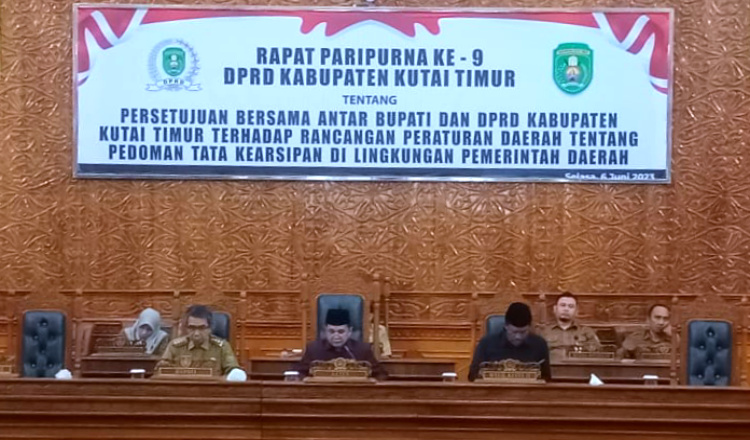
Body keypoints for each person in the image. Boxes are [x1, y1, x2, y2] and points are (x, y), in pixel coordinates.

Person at [295, 308, 387, 380]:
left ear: (349, 331)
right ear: (325, 331)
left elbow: (381, 375)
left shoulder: (363, 349)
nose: (336, 336)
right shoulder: (314, 349)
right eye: (331, 331)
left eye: (341, 332)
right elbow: (300, 373)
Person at [469, 302, 551, 381]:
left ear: (529, 327)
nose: (518, 337)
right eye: (514, 332)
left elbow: (546, 378)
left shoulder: (540, 345)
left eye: (523, 332)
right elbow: (473, 375)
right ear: (506, 326)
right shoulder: (486, 343)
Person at [157, 305, 244, 379]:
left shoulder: (221, 347)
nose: (196, 333)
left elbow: (233, 373)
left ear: (210, 328)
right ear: (186, 328)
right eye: (192, 328)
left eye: (202, 328)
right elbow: (160, 371)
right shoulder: (175, 346)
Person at [539, 292, 601, 360]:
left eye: (571, 306)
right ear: (555, 309)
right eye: (563, 305)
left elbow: (597, 353)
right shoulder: (542, 332)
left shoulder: (586, 332)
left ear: (576, 311)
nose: (566, 309)